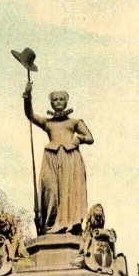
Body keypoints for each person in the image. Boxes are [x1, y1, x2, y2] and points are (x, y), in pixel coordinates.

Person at [23, 81, 93, 235]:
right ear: (51, 103)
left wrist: (78, 139)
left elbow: (89, 137)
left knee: (69, 191)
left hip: (70, 159)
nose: (59, 102)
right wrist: (27, 96)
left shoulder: (74, 122)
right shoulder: (48, 122)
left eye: (61, 99)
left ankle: (72, 224)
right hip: (51, 159)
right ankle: (51, 225)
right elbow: (30, 115)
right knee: (50, 191)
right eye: (55, 100)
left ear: (66, 101)